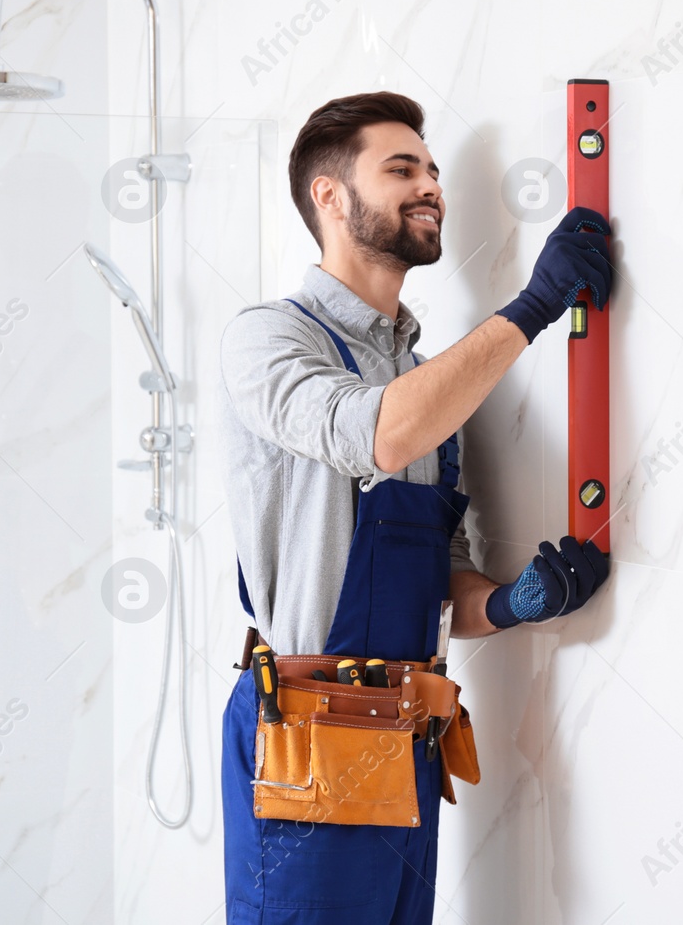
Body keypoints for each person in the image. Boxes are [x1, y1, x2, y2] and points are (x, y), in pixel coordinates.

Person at [218, 91, 614, 924]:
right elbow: (376, 435)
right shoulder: (268, 339)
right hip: (307, 743)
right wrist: (531, 307)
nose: (430, 184)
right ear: (329, 197)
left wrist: (513, 602)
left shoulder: (434, 383)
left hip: (404, 747)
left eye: (432, 169)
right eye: (401, 168)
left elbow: (445, 582)